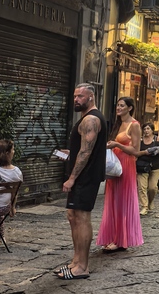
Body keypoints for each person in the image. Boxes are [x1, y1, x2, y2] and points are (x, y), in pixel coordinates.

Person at [58, 83, 107, 280]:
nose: (76, 99)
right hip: (83, 176)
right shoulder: (87, 118)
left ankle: (82, 267)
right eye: (75, 96)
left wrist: (71, 178)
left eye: (80, 96)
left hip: (86, 177)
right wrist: (71, 153)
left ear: (91, 97)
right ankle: (76, 261)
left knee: (82, 217)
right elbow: (84, 148)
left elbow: (86, 152)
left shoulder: (91, 119)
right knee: (72, 215)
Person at [96, 96, 143, 253]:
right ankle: (113, 237)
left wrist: (117, 144)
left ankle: (121, 239)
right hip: (115, 165)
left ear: (130, 108)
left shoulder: (134, 125)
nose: (118, 108)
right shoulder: (118, 124)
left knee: (122, 201)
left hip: (126, 166)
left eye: (122, 105)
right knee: (113, 201)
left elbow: (136, 150)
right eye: (118, 105)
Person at [135, 123, 159, 217]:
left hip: (155, 166)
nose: (146, 131)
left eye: (148, 129)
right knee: (142, 187)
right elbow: (136, 152)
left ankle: (150, 201)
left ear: (152, 130)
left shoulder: (157, 139)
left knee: (152, 188)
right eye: (145, 129)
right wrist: (144, 153)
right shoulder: (140, 140)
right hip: (142, 166)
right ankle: (144, 206)